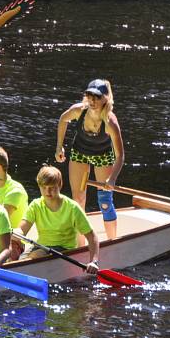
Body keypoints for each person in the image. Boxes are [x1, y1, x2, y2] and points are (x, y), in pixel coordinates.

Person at [55, 79, 125, 240]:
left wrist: (112, 179)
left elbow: (120, 155)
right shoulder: (78, 111)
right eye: (89, 95)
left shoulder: (110, 121)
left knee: (105, 201)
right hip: (80, 152)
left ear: (105, 99)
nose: (92, 100)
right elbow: (62, 119)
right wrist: (59, 146)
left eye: (97, 97)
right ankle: (80, 245)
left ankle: (112, 242)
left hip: (103, 156)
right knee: (78, 200)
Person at [14, 166, 99, 274]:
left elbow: (92, 237)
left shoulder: (72, 208)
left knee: (33, 257)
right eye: (44, 187)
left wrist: (94, 261)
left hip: (63, 250)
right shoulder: (36, 205)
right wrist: (17, 232)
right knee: (14, 252)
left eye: (52, 187)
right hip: (41, 247)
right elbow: (22, 229)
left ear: (60, 185)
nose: (47, 191)